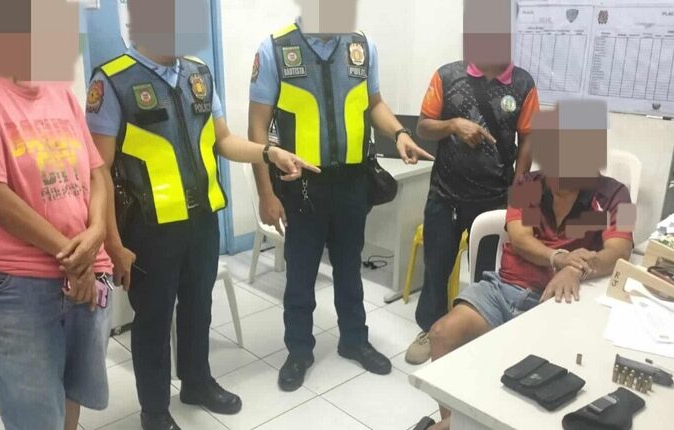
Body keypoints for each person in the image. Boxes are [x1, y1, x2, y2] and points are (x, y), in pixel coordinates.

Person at [86, 1, 318, 429]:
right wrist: (112, 244)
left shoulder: (198, 73)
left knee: (198, 307)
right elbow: (97, 170)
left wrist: (270, 153)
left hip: (202, 222)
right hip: (149, 229)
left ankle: (196, 382)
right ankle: (155, 410)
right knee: (153, 321)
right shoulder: (113, 80)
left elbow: (223, 140)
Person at [412, 100, 635, 430]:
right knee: (442, 333)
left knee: (526, 384)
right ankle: (451, 422)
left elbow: (620, 249)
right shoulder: (526, 184)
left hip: (557, 301)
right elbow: (519, 238)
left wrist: (575, 268)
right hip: (505, 288)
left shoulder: (617, 195)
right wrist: (559, 258)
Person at [249, 0, 434, 391]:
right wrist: (266, 193)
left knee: (350, 267)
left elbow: (375, 103)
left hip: (352, 183)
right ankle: (299, 349)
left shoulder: (361, 46)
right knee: (300, 274)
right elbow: (257, 128)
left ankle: (354, 339)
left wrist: (399, 133)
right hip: (302, 186)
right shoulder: (275, 49)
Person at [0, 1, 115, 429]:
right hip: (14, 286)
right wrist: (74, 256)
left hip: (84, 272)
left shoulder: (58, 88)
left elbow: (96, 171)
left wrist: (97, 232)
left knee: (73, 391)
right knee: (35, 417)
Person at [406, 0, 540, 365]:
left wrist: (520, 195)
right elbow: (423, 126)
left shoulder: (523, 83)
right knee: (436, 268)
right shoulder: (447, 75)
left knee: (487, 275)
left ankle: (477, 337)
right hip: (445, 196)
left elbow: (529, 139)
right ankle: (431, 328)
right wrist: (453, 125)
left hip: (495, 200)